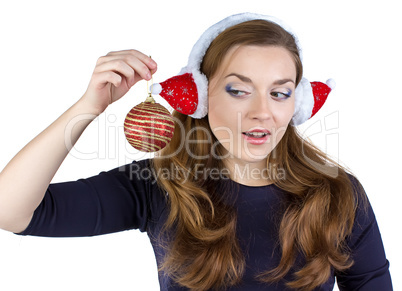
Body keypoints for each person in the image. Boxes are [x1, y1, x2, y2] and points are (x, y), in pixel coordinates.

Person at [0, 13, 392, 291]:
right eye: (238, 89)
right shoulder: (157, 185)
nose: (262, 111)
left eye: (280, 92)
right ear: (201, 97)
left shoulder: (338, 193)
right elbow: (10, 211)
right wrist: (89, 105)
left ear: (298, 103)